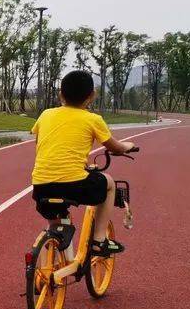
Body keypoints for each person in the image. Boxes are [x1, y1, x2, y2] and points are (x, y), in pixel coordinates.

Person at [30, 71, 136, 256]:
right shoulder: (92, 119)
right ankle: (99, 241)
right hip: (75, 185)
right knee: (109, 183)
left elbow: (39, 143)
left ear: (60, 94)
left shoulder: (45, 115)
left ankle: (54, 250)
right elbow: (116, 147)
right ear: (91, 96)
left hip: (41, 187)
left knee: (56, 220)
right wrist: (129, 145)